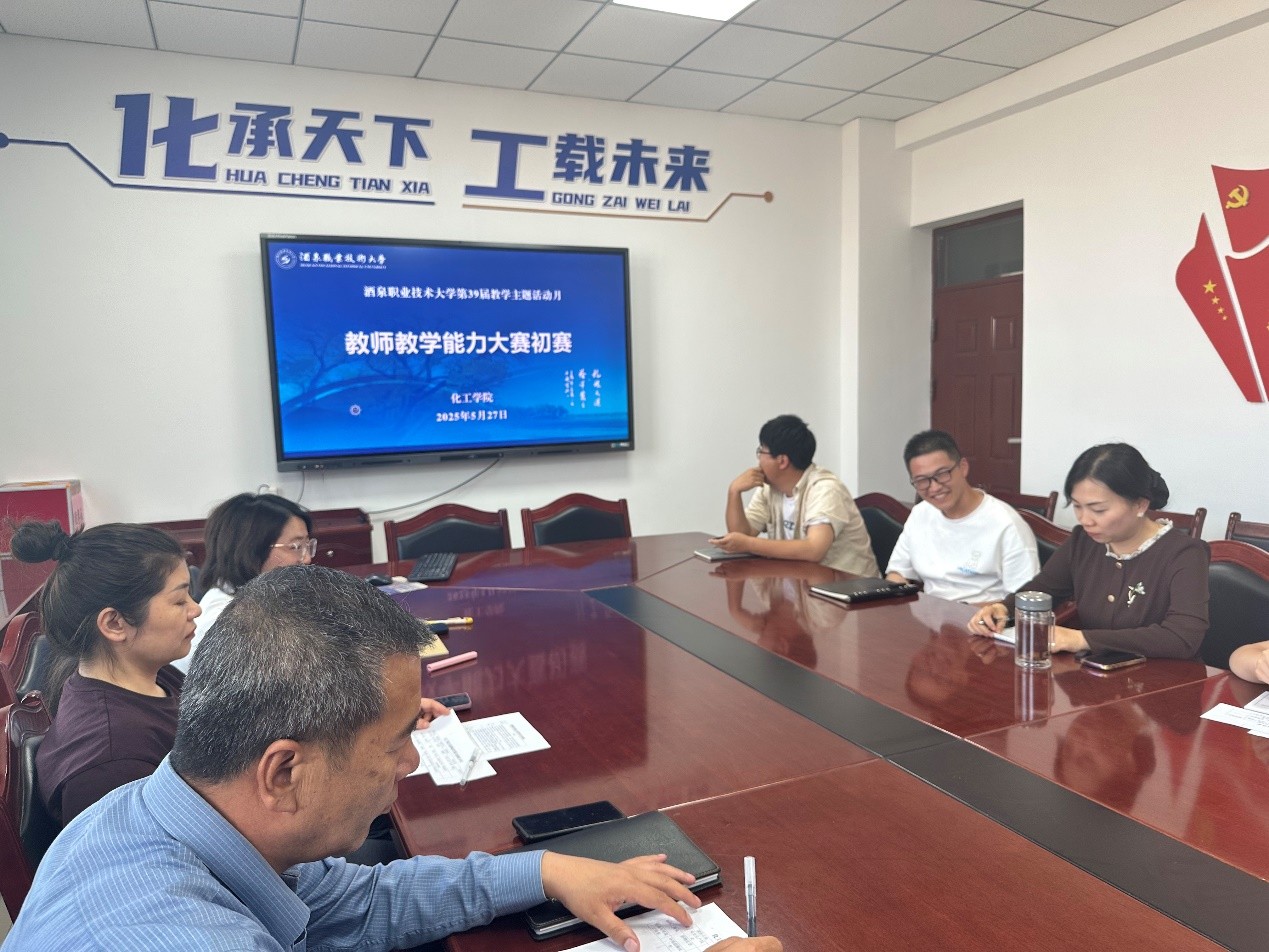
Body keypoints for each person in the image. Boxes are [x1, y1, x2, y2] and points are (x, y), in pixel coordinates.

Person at [6, 565, 781, 952]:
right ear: (284, 772)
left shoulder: (172, 814)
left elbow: (356, 900)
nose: (410, 763)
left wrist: (546, 871)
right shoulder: (177, 936)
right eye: (394, 742)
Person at [9, 520, 198, 825]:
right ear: (114, 624)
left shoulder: (154, 675)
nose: (195, 609)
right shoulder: (111, 764)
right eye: (179, 600)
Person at [968, 443, 1209, 659]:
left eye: (1098, 510)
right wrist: (1003, 609)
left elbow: (1182, 638)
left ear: (1140, 505)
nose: (1085, 520)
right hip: (1095, 677)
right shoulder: (1084, 541)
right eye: (1077, 507)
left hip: (1165, 683)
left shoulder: (1184, 553)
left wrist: (1080, 639)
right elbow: (1043, 589)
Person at [713, 414, 878, 576]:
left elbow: (814, 549)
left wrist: (749, 544)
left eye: (761, 451)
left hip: (849, 588)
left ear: (782, 461)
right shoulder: (769, 488)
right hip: (801, 582)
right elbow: (741, 536)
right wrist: (734, 492)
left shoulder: (825, 488)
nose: (758, 460)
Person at [885, 430, 1039, 604]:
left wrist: (958, 612)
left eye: (942, 474)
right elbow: (897, 573)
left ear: (963, 467)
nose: (934, 488)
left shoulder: (1007, 525)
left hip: (982, 617)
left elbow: (1024, 601)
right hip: (929, 616)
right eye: (922, 480)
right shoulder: (920, 514)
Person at [176, 491, 314, 673]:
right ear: (251, 550)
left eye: (307, 546)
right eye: (295, 547)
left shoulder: (265, 599)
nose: (306, 559)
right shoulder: (227, 622)